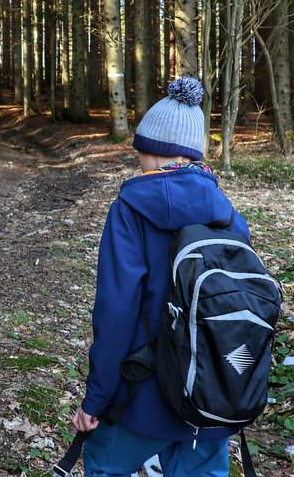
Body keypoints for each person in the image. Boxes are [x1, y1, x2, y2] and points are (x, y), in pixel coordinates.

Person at [72, 77, 249, 477]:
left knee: (105, 468)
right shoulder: (228, 215)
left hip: (141, 396)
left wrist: (96, 399)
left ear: (152, 148)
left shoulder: (130, 210)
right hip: (209, 398)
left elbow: (116, 311)